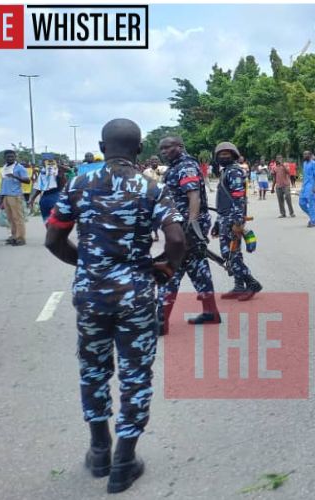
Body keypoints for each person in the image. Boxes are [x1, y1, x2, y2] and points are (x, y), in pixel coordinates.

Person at [44, 118, 186, 494]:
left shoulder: (77, 184)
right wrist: (164, 270)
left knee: (93, 370)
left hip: (91, 295)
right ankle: (124, 460)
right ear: (139, 149)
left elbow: (53, 238)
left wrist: (89, 264)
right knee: (136, 376)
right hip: (136, 295)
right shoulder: (150, 188)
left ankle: (98, 450)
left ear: (102, 146)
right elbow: (176, 237)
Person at [156, 135, 221, 337]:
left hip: (185, 230)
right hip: (184, 228)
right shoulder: (177, 166)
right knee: (199, 269)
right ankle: (210, 312)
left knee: (169, 272)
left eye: (168, 147)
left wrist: (191, 226)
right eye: (162, 149)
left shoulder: (185, 166)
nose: (164, 152)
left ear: (180, 146)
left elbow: (193, 195)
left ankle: (160, 322)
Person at [212, 141, 263, 300]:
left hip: (232, 219)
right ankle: (239, 286)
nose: (223, 157)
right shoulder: (226, 171)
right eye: (221, 154)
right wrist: (217, 223)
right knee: (234, 254)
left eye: (227, 154)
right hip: (225, 217)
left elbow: (238, 198)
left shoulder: (234, 171)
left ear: (234, 156)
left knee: (230, 255)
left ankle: (252, 283)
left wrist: (237, 222)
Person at [0, 150, 30, 246]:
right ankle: (14, 236)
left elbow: (27, 180)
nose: (10, 158)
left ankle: (21, 238)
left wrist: (15, 176)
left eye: (12, 156)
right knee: (10, 218)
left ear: (15, 157)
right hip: (6, 195)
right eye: (8, 157)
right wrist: (1, 197)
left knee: (18, 218)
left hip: (15, 195)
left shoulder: (19, 168)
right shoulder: (4, 168)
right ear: (5, 157)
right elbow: (4, 183)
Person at [299, 150, 315, 227]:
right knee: (301, 203)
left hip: (311, 187)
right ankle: (313, 216)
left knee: (312, 204)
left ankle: (313, 221)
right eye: (304, 154)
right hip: (304, 187)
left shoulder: (313, 163)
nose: (304, 156)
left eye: (306, 154)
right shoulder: (304, 163)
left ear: (310, 155)